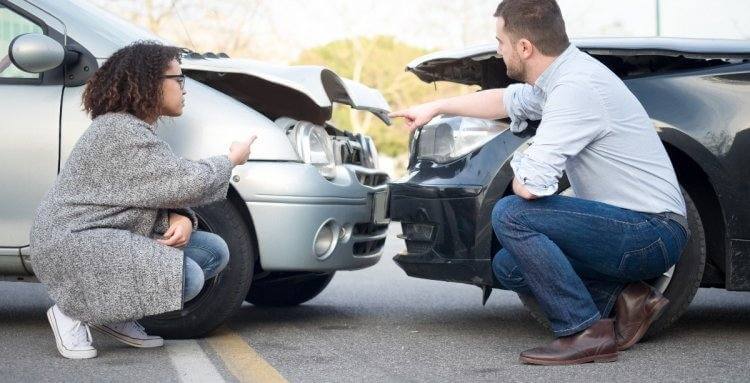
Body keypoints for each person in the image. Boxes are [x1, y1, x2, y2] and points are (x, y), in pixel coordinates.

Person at [389, 0, 689, 365]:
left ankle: (583, 331)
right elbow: (503, 100)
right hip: (630, 226)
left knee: (511, 214)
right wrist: (434, 108)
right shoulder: (560, 79)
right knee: (508, 266)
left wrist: (526, 158)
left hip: (651, 232)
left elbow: (530, 187)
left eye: (500, 41)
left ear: (525, 47)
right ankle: (628, 296)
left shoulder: (576, 88)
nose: (498, 51)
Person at [29, 41, 256, 359]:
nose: (184, 88)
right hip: (71, 243)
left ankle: (114, 315)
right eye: (177, 79)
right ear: (150, 84)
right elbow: (184, 182)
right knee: (185, 276)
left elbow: (145, 194)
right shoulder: (119, 133)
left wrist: (180, 218)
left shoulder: (132, 129)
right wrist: (232, 159)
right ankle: (72, 310)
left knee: (213, 251)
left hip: (103, 235)